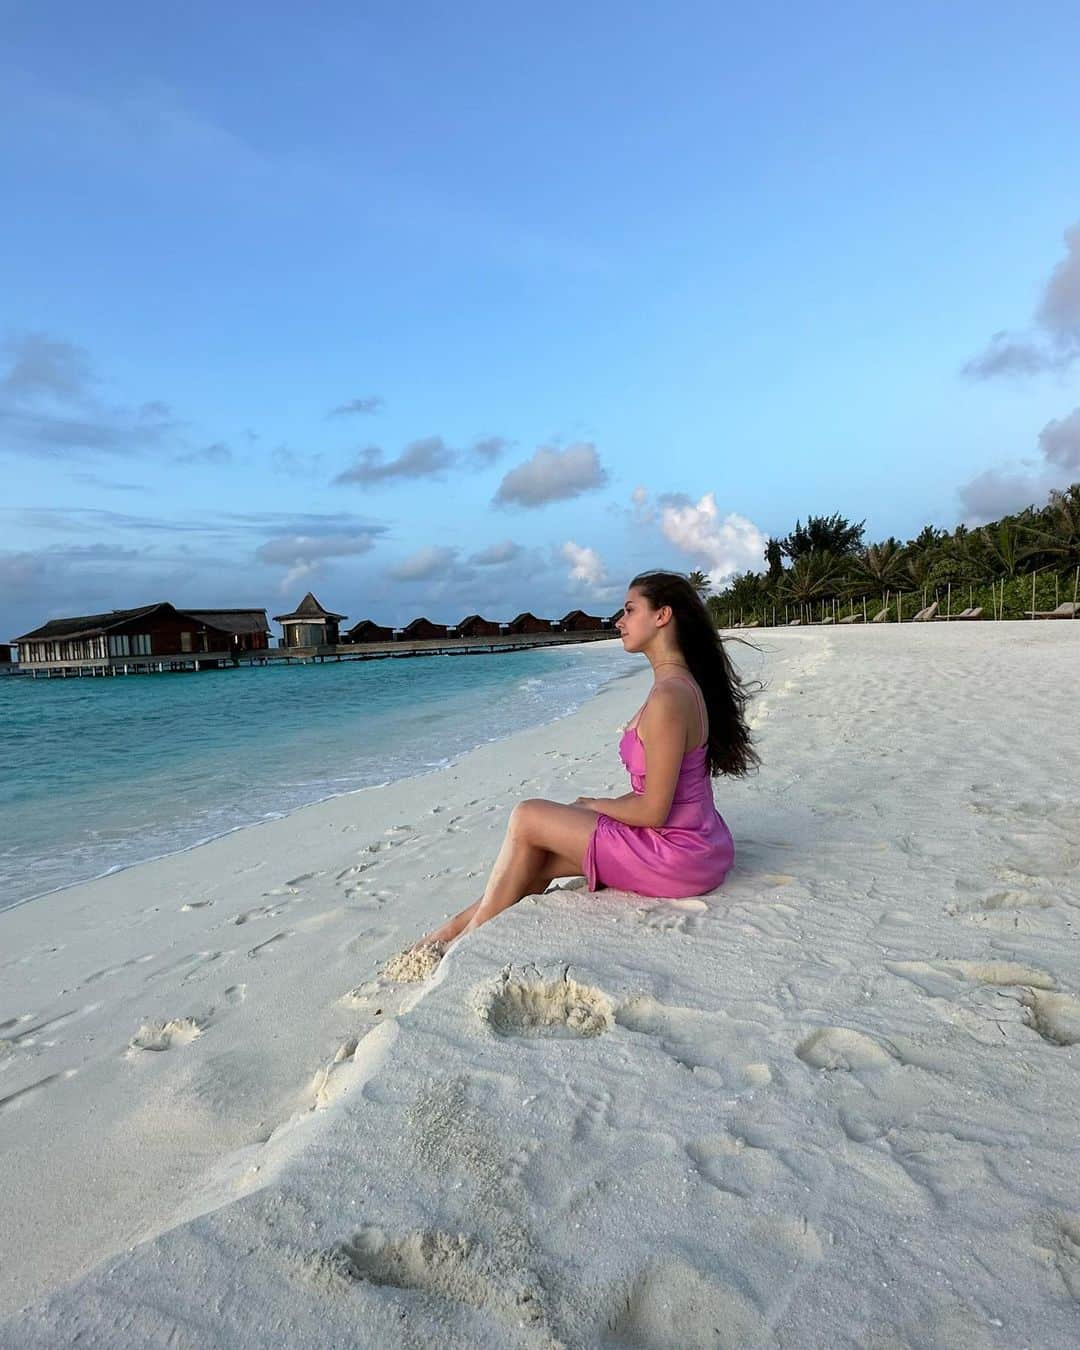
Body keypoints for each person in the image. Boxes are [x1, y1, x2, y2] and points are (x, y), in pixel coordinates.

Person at [413, 570, 759, 950]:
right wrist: (594, 809)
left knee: (527, 815)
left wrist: (595, 805)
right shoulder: (678, 686)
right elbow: (661, 797)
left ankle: (469, 937)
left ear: (662, 616)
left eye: (629, 610)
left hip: (676, 855)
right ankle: (450, 931)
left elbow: (653, 811)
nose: (619, 621)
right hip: (695, 846)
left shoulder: (669, 697)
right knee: (539, 858)